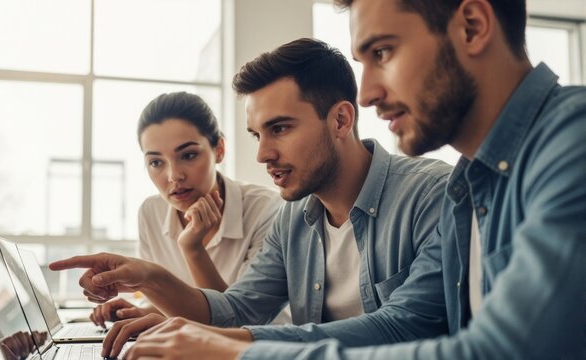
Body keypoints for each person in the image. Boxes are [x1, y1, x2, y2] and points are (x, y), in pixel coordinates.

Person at [122, 0, 586, 359]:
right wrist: (174, 302)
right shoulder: (471, 185)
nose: (367, 93)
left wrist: (240, 351)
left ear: (472, 26)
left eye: (382, 52)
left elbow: (496, 349)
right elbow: (403, 324)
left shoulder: (570, 141)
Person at [49, 38, 453, 358]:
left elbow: (406, 326)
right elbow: (236, 309)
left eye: (280, 129)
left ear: (341, 120)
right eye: (257, 135)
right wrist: (146, 276)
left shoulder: (430, 194)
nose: (263, 155)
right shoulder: (294, 217)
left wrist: (232, 345)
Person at [87, 91, 281, 327]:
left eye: (188, 155)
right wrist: (145, 311)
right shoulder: (151, 212)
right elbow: (178, 306)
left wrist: (193, 250)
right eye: (156, 162)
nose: (173, 176)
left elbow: (235, 322)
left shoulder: (266, 209)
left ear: (219, 150)